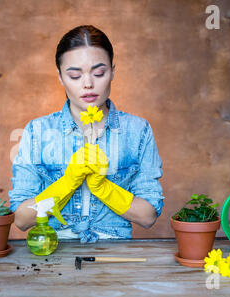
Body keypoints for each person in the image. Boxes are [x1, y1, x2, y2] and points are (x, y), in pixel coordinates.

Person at [9, 25, 164, 243]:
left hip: (115, 254)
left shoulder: (138, 130)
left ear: (112, 71)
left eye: (99, 73)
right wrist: (67, 182)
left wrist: (103, 188)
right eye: (74, 75)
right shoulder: (37, 131)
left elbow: (148, 217)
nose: (88, 84)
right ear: (61, 77)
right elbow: (22, 219)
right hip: (53, 252)